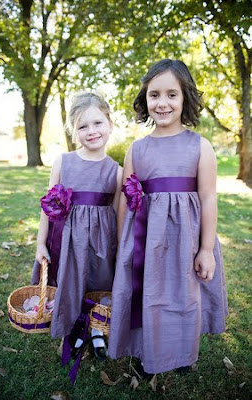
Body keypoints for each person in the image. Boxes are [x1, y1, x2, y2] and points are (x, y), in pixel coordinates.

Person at [108, 59, 228, 376]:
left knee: (182, 295)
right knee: (149, 293)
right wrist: (123, 243)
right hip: (146, 241)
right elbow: (126, 199)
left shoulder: (200, 146)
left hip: (185, 240)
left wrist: (204, 249)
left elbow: (208, 198)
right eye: (154, 95)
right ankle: (147, 350)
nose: (162, 103)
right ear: (145, 100)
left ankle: (182, 351)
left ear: (185, 98)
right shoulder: (137, 149)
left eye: (171, 95)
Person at [32, 91, 122, 360]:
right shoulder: (64, 162)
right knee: (70, 285)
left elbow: (118, 214)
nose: (91, 131)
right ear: (74, 131)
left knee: (98, 285)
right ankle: (71, 332)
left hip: (100, 245)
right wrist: (40, 243)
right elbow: (49, 207)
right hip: (66, 241)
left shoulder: (116, 170)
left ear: (110, 124)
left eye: (97, 123)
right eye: (82, 126)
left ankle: (96, 331)